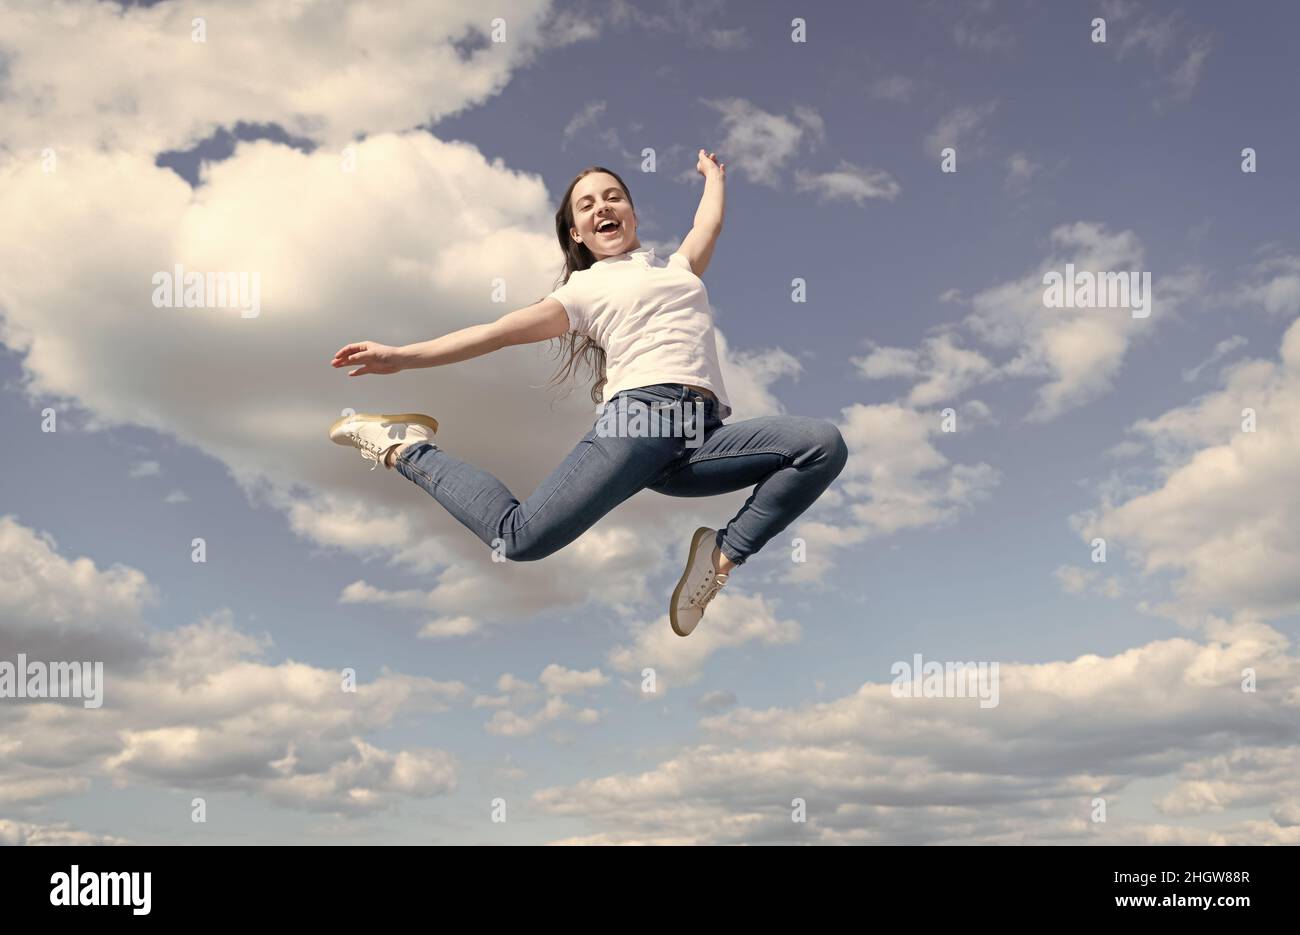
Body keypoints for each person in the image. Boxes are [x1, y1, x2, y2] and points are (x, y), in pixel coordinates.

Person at [328, 152, 847, 636]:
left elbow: (706, 226)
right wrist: (401, 357)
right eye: (588, 204)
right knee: (518, 539)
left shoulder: (678, 269)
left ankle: (720, 556)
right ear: (578, 233)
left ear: (633, 214)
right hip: (640, 424)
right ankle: (406, 446)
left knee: (819, 445)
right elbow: (498, 331)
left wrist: (715, 177)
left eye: (614, 196)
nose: (603, 206)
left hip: (699, 436)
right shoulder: (581, 292)